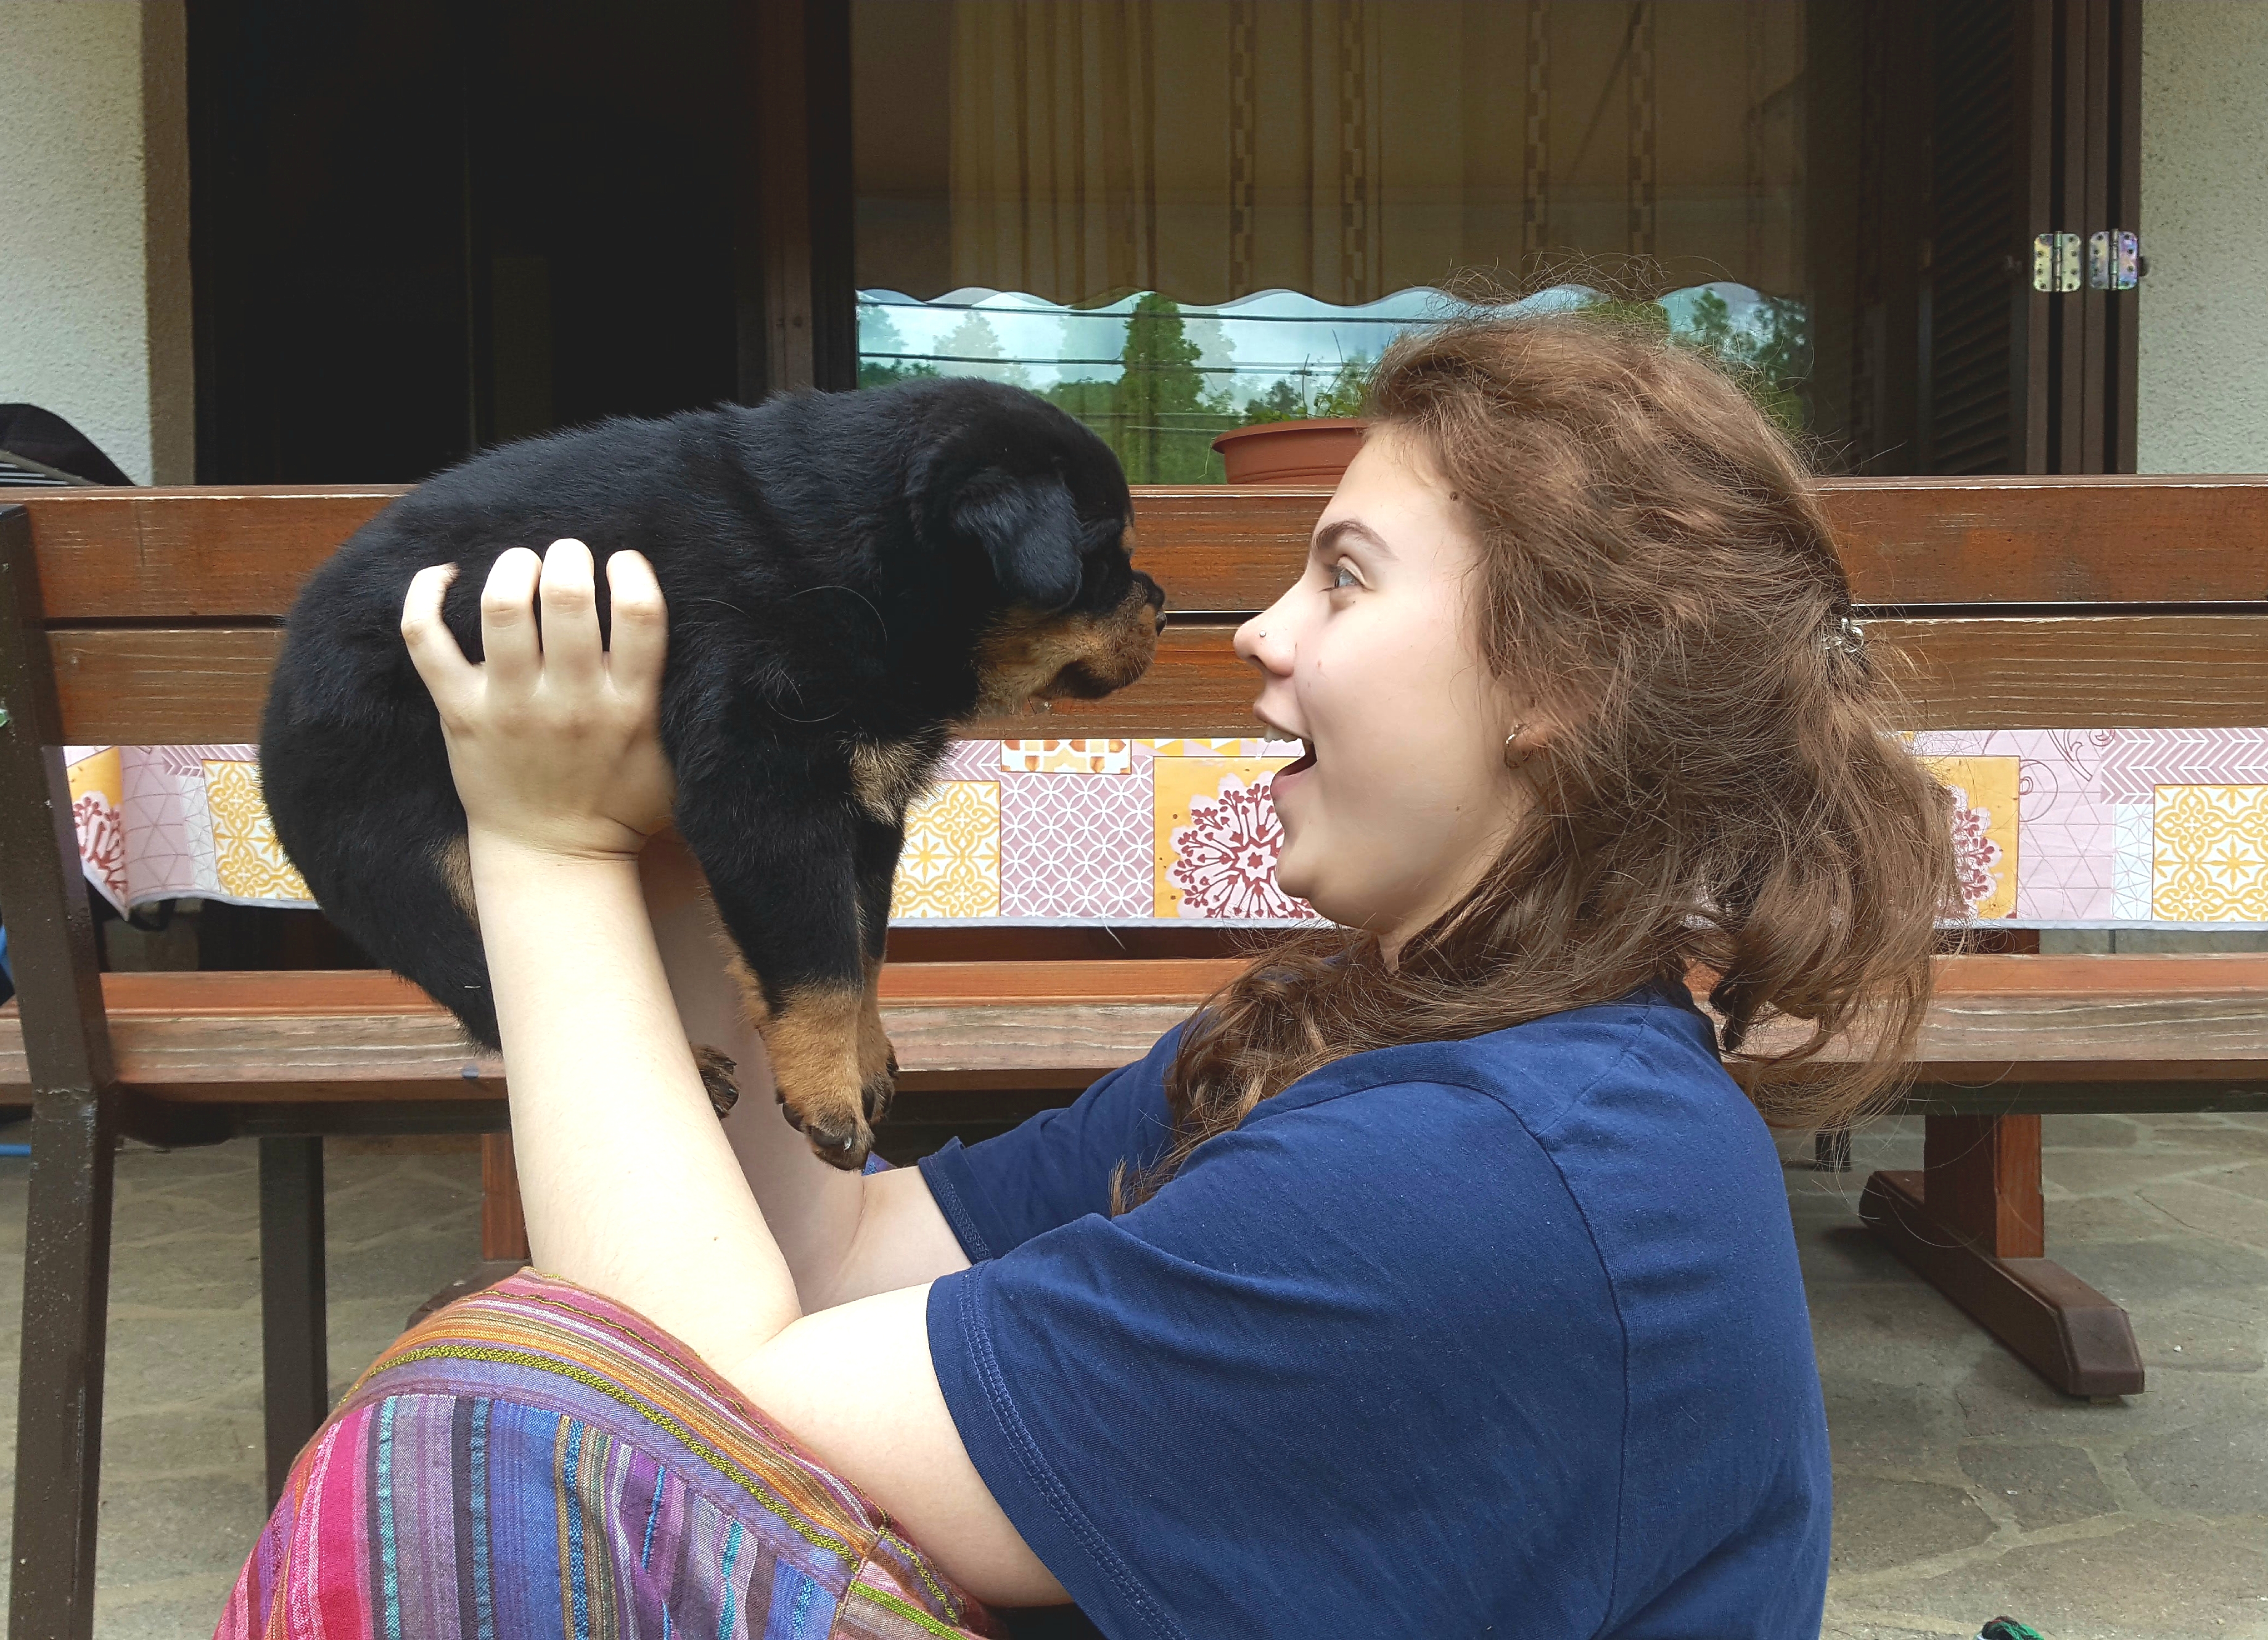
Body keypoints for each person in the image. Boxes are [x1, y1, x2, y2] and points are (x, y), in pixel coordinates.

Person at [217, 314, 1957, 1639]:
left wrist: (545, 853)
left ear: (1561, 678)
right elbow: (826, 1250)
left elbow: (680, 1433)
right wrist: (674, 823)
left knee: (457, 1458)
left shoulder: (1483, 1183)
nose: (1261, 634)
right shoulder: (1381, 1034)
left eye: (1342, 576)